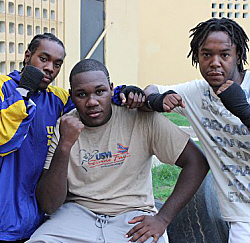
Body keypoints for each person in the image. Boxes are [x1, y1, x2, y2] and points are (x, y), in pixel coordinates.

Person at [26, 59, 209, 243]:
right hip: (77, 214)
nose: (92, 102)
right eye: (82, 94)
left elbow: (197, 162)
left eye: (100, 91)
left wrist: (163, 219)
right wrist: (65, 146)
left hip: (133, 216)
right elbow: (49, 205)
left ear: (111, 89)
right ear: (72, 96)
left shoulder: (140, 118)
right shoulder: (65, 126)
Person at [116, 17, 250, 243]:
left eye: (224, 55)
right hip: (242, 216)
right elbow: (150, 91)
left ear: (238, 56)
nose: (215, 62)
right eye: (207, 55)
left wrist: (243, 110)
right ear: (196, 57)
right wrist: (157, 101)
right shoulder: (197, 93)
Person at [0, 33, 74, 242]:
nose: (50, 68)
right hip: (3, 224)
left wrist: (129, 95)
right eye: (44, 59)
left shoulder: (57, 98)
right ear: (27, 56)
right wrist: (23, 92)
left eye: (57, 64)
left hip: (37, 223)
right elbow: (5, 138)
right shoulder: (3, 88)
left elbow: (90, 98)